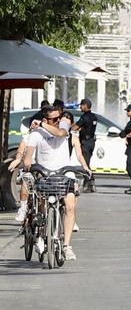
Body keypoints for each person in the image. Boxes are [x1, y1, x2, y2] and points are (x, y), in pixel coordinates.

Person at [26, 100, 88, 259]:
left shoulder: (64, 126)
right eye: (54, 119)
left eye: (58, 118)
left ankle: (66, 246)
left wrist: (42, 124)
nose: (58, 121)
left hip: (64, 174)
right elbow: (28, 155)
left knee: (70, 205)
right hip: (45, 175)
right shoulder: (35, 134)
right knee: (40, 202)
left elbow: (60, 133)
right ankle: (40, 231)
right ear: (46, 119)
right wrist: (27, 164)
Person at [75, 99, 97, 191]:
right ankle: (89, 182)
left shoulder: (84, 117)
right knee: (87, 162)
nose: (80, 107)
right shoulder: (94, 116)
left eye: (81, 105)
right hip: (91, 141)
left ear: (86, 106)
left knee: (85, 164)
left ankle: (89, 183)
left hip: (85, 142)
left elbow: (75, 127)